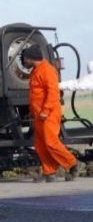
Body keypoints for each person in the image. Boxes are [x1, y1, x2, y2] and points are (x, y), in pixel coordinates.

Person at [21, 45, 86, 182]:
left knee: (51, 142)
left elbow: (53, 93)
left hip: (48, 114)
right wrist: (33, 112)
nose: (24, 61)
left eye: (25, 58)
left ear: (31, 58)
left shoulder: (47, 70)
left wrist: (45, 111)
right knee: (40, 144)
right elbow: (36, 94)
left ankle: (74, 163)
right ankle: (49, 172)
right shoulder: (36, 70)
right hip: (38, 115)